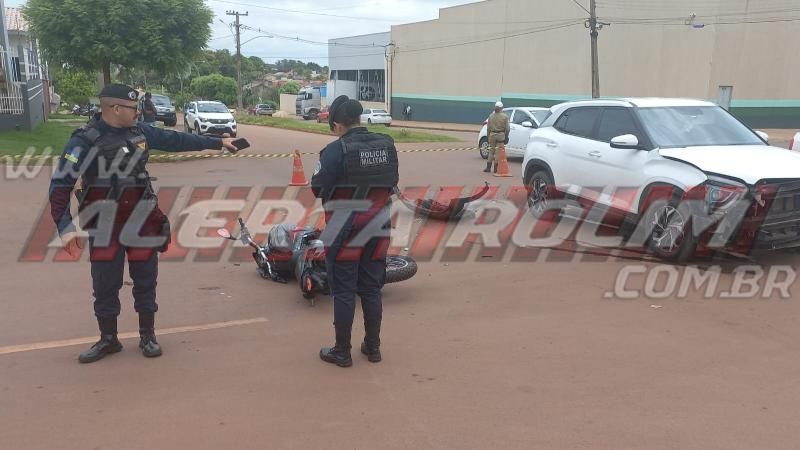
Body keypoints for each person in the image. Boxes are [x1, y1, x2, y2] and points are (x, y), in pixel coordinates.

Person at [49, 84, 239, 364]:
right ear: (115, 109)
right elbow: (60, 185)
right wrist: (65, 228)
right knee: (104, 283)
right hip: (104, 223)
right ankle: (108, 339)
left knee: (146, 279)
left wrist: (217, 142)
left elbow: (175, 140)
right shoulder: (84, 140)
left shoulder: (140, 132)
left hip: (141, 219)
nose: (138, 112)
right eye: (132, 108)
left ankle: (147, 335)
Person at [310, 95, 399, 368]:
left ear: (337, 124)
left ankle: (342, 351)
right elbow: (392, 181)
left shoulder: (334, 151)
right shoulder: (387, 144)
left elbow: (317, 188)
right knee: (372, 288)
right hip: (379, 221)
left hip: (344, 226)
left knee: (344, 290)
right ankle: (373, 348)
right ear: (359, 119)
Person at [485, 101, 510, 173]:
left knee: (491, 152)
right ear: (502, 108)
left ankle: (488, 167)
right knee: (498, 153)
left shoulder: (491, 116)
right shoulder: (505, 116)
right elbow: (507, 129)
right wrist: (506, 136)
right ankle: (496, 169)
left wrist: (488, 136)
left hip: (492, 135)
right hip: (500, 135)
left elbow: (488, 128)